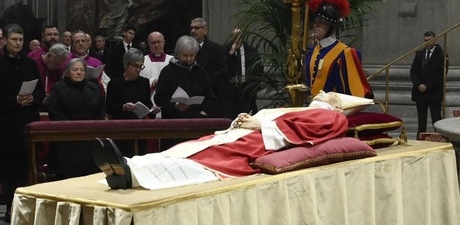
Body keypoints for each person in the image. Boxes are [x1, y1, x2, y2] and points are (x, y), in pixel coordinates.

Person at [93, 91, 353, 190]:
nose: (321, 91)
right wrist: (248, 120)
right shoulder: (309, 109)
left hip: (259, 142)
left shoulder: (333, 117)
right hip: (248, 133)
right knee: (186, 149)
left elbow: (302, 133)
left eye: (329, 93)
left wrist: (258, 123)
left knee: (204, 160)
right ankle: (129, 164)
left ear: (337, 106)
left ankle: (133, 174)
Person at [0, 24, 44, 222]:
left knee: (27, 168)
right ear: (6, 41)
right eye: (14, 39)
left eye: (20, 39)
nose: (18, 43)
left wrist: (32, 99)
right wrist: (15, 100)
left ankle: (28, 208)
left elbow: (41, 91)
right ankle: (10, 207)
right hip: (6, 126)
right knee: (8, 171)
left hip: (27, 123)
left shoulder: (30, 64)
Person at [304, 0, 373, 99]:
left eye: (322, 22)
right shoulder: (311, 51)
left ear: (332, 26)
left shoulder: (345, 54)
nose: (316, 25)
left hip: (333, 111)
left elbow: (355, 95)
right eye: (316, 22)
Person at [47, 57, 106, 179]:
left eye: (82, 70)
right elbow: (54, 111)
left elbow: (101, 110)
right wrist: (71, 127)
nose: (79, 72)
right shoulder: (58, 88)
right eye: (75, 70)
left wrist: (93, 126)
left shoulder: (93, 88)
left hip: (89, 140)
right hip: (67, 141)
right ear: (68, 72)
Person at [106, 48, 155, 156]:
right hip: (121, 130)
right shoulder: (115, 84)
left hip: (140, 129)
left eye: (140, 66)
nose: (138, 69)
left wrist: (151, 111)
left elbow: (147, 103)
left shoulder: (144, 82)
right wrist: (123, 107)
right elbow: (109, 108)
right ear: (126, 65)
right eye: (135, 66)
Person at [154, 36, 216, 118]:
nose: (189, 59)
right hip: (173, 120)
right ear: (178, 54)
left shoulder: (200, 71)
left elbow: (210, 97)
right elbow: (159, 98)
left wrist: (204, 110)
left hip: (197, 119)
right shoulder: (168, 71)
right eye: (185, 55)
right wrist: (175, 105)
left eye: (192, 55)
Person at [410, 30, 446, 135]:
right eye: (425, 41)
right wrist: (419, 84)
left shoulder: (441, 54)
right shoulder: (420, 53)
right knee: (421, 120)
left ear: (435, 39)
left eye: (429, 40)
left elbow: (441, 74)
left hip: (433, 92)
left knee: (436, 118)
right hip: (420, 92)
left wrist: (427, 85)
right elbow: (413, 71)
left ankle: (440, 138)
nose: (427, 43)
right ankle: (420, 139)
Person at [191, 17, 227, 106]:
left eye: (196, 28)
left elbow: (223, 72)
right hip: (189, 98)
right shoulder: (185, 49)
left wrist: (203, 82)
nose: (192, 31)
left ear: (205, 30)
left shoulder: (217, 49)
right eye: (191, 28)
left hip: (211, 98)